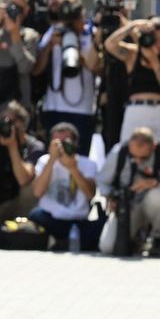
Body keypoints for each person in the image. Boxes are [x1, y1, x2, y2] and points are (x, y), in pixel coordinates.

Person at [33, 0, 100, 154]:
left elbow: (98, 68)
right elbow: (37, 70)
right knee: (54, 156)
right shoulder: (53, 32)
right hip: (55, 106)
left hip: (83, 108)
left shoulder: (90, 34)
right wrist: (50, 47)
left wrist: (80, 55)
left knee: (79, 159)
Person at [29, 122, 101, 250]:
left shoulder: (88, 163)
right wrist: (52, 160)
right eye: (58, 143)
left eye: (66, 142)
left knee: (99, 226)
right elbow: (37, 192)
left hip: (77, 221)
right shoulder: (44, 160)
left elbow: (91, 194)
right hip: (50, 219)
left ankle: (64, 242)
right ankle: (59, 241)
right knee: (35, 215)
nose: (62, 147)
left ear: (76, 143)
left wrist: (73, 168)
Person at [0, 100, 45, 226]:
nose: (6, 126)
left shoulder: (35, 146)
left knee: (27, 189)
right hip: (1, 200)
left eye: (11, 122)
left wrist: (12, 146)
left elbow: (24, 179)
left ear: (22, 124)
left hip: (25, 202)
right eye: (3, 122)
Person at [95, 127, 160, 256]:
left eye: (143, 157)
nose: (138, 161)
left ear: (153, 146)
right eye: (134, 157)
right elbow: (102, 180)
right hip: (127, 205)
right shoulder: (119, 152)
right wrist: (110, 197)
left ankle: (157, 239)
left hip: (152, 204)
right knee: (108, 246)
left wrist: (154, 182)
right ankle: (136, 241)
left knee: (156, 196)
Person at [103, 16, 160, 142]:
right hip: (135, 110)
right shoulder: (134, 54)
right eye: (154, 37)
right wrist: (132, 25)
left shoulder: (156, 59)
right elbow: (109, 44)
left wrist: (154, 61)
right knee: (128, 151)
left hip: (158, 111)